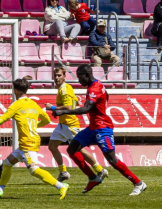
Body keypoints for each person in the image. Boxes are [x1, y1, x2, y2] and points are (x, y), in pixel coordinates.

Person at [53, 64, 147, 196]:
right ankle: (93, 177)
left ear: (87, 75)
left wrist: (63, 112)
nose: (79, 81)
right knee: (72, 148)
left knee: (112, 160)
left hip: (102, 128)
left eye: (80, 77)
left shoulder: (94, 89)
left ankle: (138, 183)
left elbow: (86, 109)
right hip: (93, 127)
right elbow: (106, 97)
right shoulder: (96, 85)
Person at [0, 78, 69, 200]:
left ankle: (61, 186)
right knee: (7, 164)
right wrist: (35, 125)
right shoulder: (33, 104)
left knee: (34, 170)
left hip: (28, 143)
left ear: (16, 91)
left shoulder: (16, 105)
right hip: (30, 141)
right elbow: (47, 119)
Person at [44, 67, 108, 182]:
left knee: (80, 149)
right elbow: (75, 102)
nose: (57, 78)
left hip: (70, 124)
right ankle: (63, 172)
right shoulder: (65, 88)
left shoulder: (65, 89)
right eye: (55, 76)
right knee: (52, 146)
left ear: (64, 76)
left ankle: (99, 169)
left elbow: (69, 107)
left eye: (59, 75)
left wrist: (52, 107)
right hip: (62, 124)